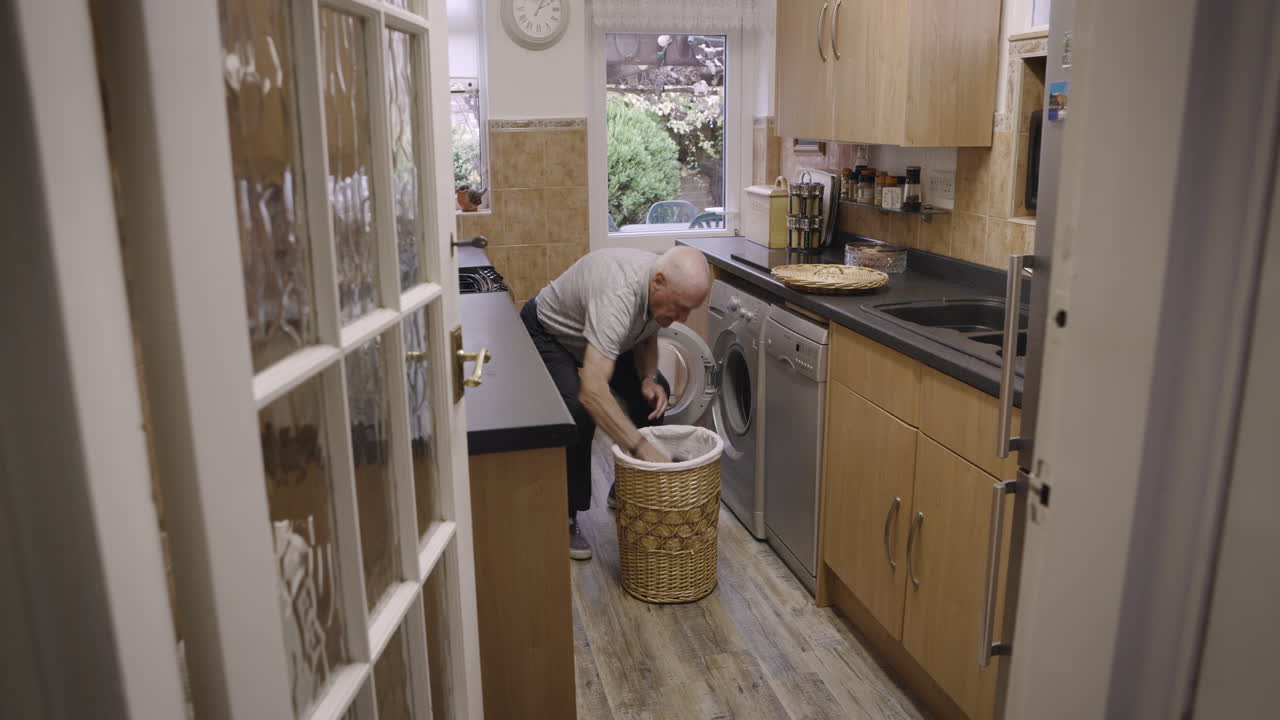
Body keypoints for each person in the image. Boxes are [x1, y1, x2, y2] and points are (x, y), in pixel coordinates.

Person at [520, 246, 712, 560]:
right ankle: (565, 517)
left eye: (689, 310)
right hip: (549, 332)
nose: (682, 318)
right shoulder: (618, 295)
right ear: (658, 282)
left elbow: (646, 334)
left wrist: (648, 376)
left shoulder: (658, 288)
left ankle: (625, 487)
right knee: (576, 413)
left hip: (592, 336)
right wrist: (642, 447)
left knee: (653, 393)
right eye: (679, 308)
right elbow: (593, 392)